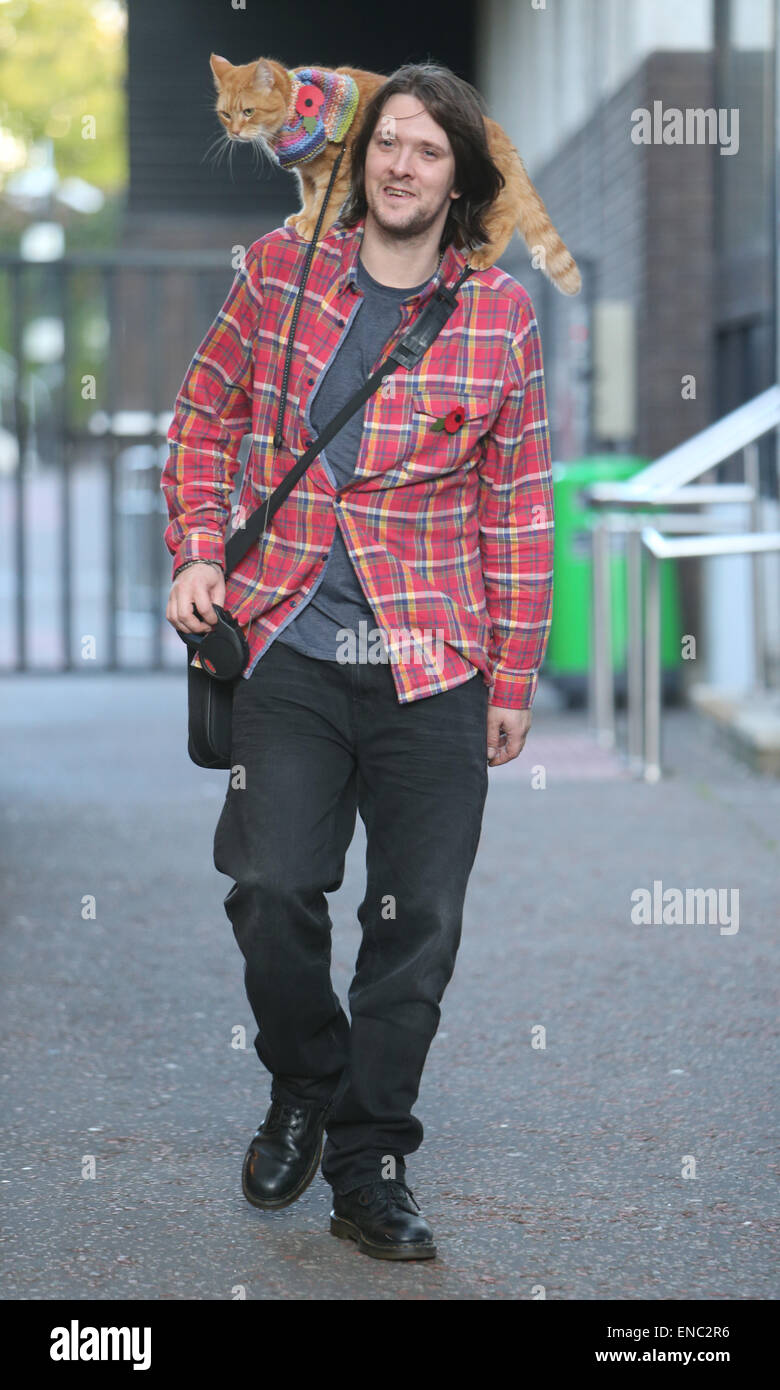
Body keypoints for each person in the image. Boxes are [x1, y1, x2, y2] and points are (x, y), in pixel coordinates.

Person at [161, 62, 554, 1261]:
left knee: (417, 921)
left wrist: (516, 676)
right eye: (388, 142)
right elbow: (202, 417)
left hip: (435, 660)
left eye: (429, 150)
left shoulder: (501, 317)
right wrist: (193, 550)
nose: (401, 165)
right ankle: (307, 1082)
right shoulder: (280, 273)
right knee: (273, 886)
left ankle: (371, 1158)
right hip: (285, 639)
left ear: (461, 180)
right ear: (358, 153)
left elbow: (521, 505)